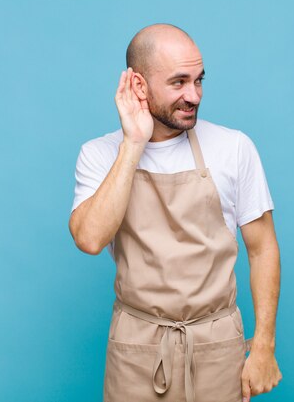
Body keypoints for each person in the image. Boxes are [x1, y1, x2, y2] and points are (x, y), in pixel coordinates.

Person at [68, 23, 282, 402]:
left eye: (199, 80)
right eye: (179, 82)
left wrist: (264, 346)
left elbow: (263, 248)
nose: (194, 95)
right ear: (138, 85)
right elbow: (89, 238)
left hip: (217, 345)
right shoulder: (100, 154)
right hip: (137, 346)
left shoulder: (234, 147)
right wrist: (134, 144)